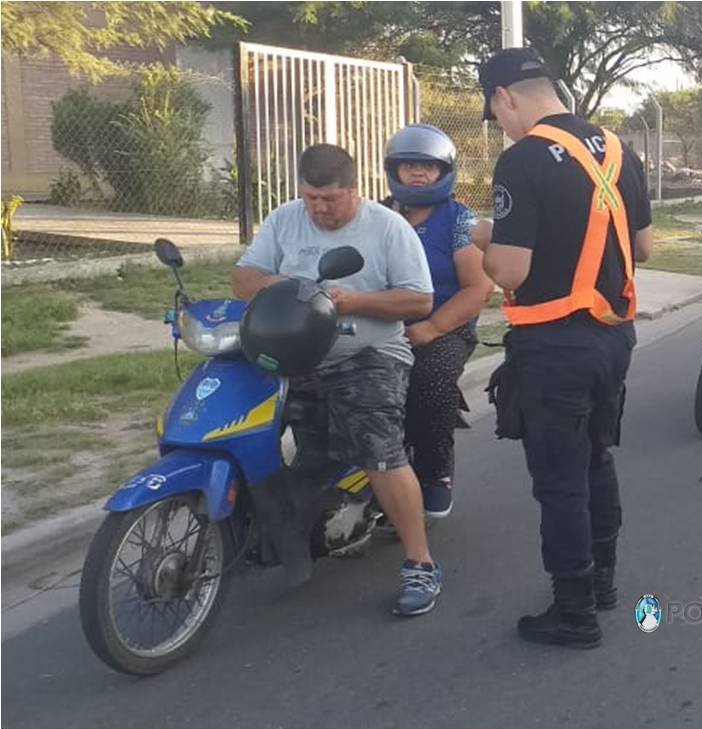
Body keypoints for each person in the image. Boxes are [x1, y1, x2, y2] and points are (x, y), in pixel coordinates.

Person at [475, 48, 653, 648]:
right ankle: (603, 581)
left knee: (559, 481)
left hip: (553, 346)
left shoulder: (521, 160)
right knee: (597, 456)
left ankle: (573, 612)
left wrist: (485, 240)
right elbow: (645, 247)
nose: (501, 125)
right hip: (614, 337)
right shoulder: (621, 150)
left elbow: (512, 270)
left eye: (495, 113)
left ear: (506, 97)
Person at [232, 144, 445, 617]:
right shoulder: (285, 219)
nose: (319, 209)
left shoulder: (388, 227)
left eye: (330, 199)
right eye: (310, 198)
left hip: (368, 353)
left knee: (378, 448)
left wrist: (350, 302)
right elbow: (243, 278)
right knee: (243, 427)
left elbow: (419, 302)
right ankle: (261, 531)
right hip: (291, 354)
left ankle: (420, 563)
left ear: (354, 190)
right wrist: (293, 288)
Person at [380, 124, 495, 518]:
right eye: (409, 165)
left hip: (445, 327)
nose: (417, 174)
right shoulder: (376, 215)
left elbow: (478, 289)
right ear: (392, 170)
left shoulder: (458, 219)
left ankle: (435, 472)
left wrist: (430, 328)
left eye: (427, 167)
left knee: (430, 382)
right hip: (381, 323)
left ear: (444, 171)